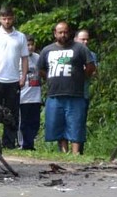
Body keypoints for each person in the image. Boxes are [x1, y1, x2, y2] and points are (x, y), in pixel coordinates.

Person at [37, 21, 96, 155]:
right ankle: (64, 153)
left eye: (65, 32)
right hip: (54, 93)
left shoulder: (80, 48)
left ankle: (75, 154)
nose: (63, 35)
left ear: (69, 33)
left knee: (76, 124)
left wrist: (81, 77)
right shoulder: (47, 50)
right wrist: (50, 78)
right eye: (60, 32)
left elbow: (91, 66)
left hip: (75, 93)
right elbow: (40, 69)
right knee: (58, 125)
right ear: (55, 33)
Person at [0, 5, 28, 149]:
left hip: (13, 80)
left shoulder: (20, 36)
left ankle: (9, 142)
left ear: (13, 18)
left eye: (9, 18)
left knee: (12, 114)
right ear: (0, 19)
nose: (7, 21)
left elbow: (25, 58)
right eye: (4, 18)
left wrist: (23, 77)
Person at [19, 38, 42, 150]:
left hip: (35, 95)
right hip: (23, 96)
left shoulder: (38, 57)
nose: (30, 47)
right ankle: (22, 144)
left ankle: (30, 143)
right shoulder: (18, 58)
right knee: (23, 122)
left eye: (32, 44)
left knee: (34, 122)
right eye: (27, 45)